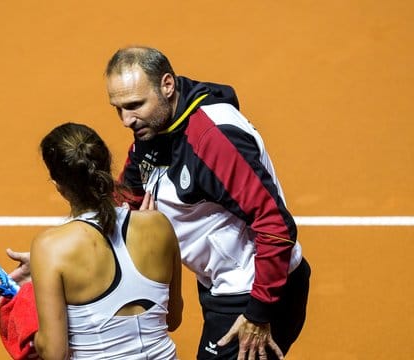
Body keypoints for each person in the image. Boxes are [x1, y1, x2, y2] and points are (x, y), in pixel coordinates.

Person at [102, 46, 311, 360]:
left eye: (134, 105)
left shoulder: (213, 139)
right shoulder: (156, 126)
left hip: (257, 290)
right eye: (117, 108)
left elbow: (275, 225)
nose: (125, 120)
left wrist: (258, 313)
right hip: (221, 283)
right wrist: (60, 258)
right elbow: (124, 201)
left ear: (167, 85)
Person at [29, 122, 184, 359]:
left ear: (59, 186)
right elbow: (172, 319)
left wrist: (27, 315)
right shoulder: (159, 224)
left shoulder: (50, 248)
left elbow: (55, 353)